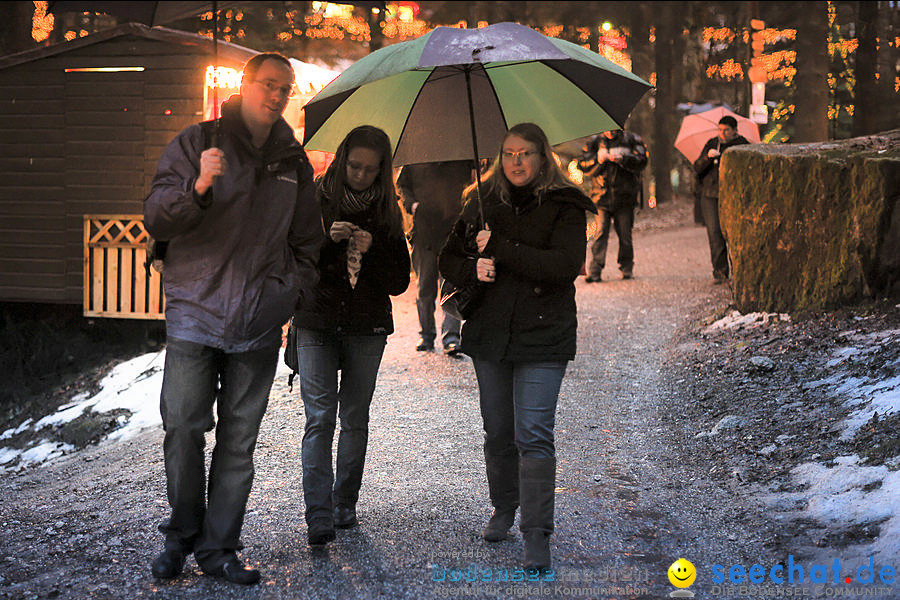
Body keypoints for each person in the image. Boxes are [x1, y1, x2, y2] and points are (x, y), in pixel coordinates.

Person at [143, 53, 324, 584]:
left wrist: (287, 292)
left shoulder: (293, 164)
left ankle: (219, 548)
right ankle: (180, 536)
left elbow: (307, 243)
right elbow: (156, 215)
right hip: (195, 314)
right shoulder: (198, 143)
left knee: (238, 442)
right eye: (267, 84)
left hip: (258, 323)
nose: (275, 95)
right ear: (244, 85)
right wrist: (198, 188)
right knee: (182, 429)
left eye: (284, 89)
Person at [438, 123, 596, 573]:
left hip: (543, 334)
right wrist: (476, 268)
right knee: (499, 431)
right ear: (499, 157)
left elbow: (563, 266)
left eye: (526, 153)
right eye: (509, 153)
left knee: (533, 434)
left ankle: (537, 533)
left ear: (543, 157)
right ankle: (504, 507)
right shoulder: (480, 202)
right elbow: (447, 258)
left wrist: (502, 249)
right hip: (491, 336)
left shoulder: (564, 206)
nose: (517, 162)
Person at [293, 125, 410, 547]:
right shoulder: (313, 200)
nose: (360, 175)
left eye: (370, 170)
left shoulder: (387, 211)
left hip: (366, 326)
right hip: (316, 322)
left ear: (382, 172)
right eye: (354, 166)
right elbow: (294, 265)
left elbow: (399, 280)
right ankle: (318, 513)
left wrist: (373, 247)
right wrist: (327, 243)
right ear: (341, 160)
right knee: (319, 418)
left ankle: (345, 502)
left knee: (354, 417)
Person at [396, 160, 473, 356]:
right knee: (425, 286)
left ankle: (452, 336)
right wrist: (412, 205)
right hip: (424, 231)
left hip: (454, 230)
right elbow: (402, 185)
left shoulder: (461, 158)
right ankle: (427, 334)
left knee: (452, 285)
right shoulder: (415, 157)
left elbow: (472, 183)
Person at [577, 129, 648, 281]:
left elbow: (642, 161)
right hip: (601, 198)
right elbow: (582, 164)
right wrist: (598, 160)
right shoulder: (594, 142)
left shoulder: (631, 139)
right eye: (607, 130)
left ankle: (626, 268)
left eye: (613, 130)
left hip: (625, 198)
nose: (610, 132)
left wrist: (623, 159)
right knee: (600, 233)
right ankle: (595, 271)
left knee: (625, 235)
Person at [692, 115, 749, 283]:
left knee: (734, 233)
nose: (722, 133)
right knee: (714, 232)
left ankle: (740, 271)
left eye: (726, 130)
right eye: (720, 129)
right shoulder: (712, 143)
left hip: (732, 194)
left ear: (734, 131)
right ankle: (720, 271)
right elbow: (697, 168)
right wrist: (707, 158)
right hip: (710, 195)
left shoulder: (742, 145)